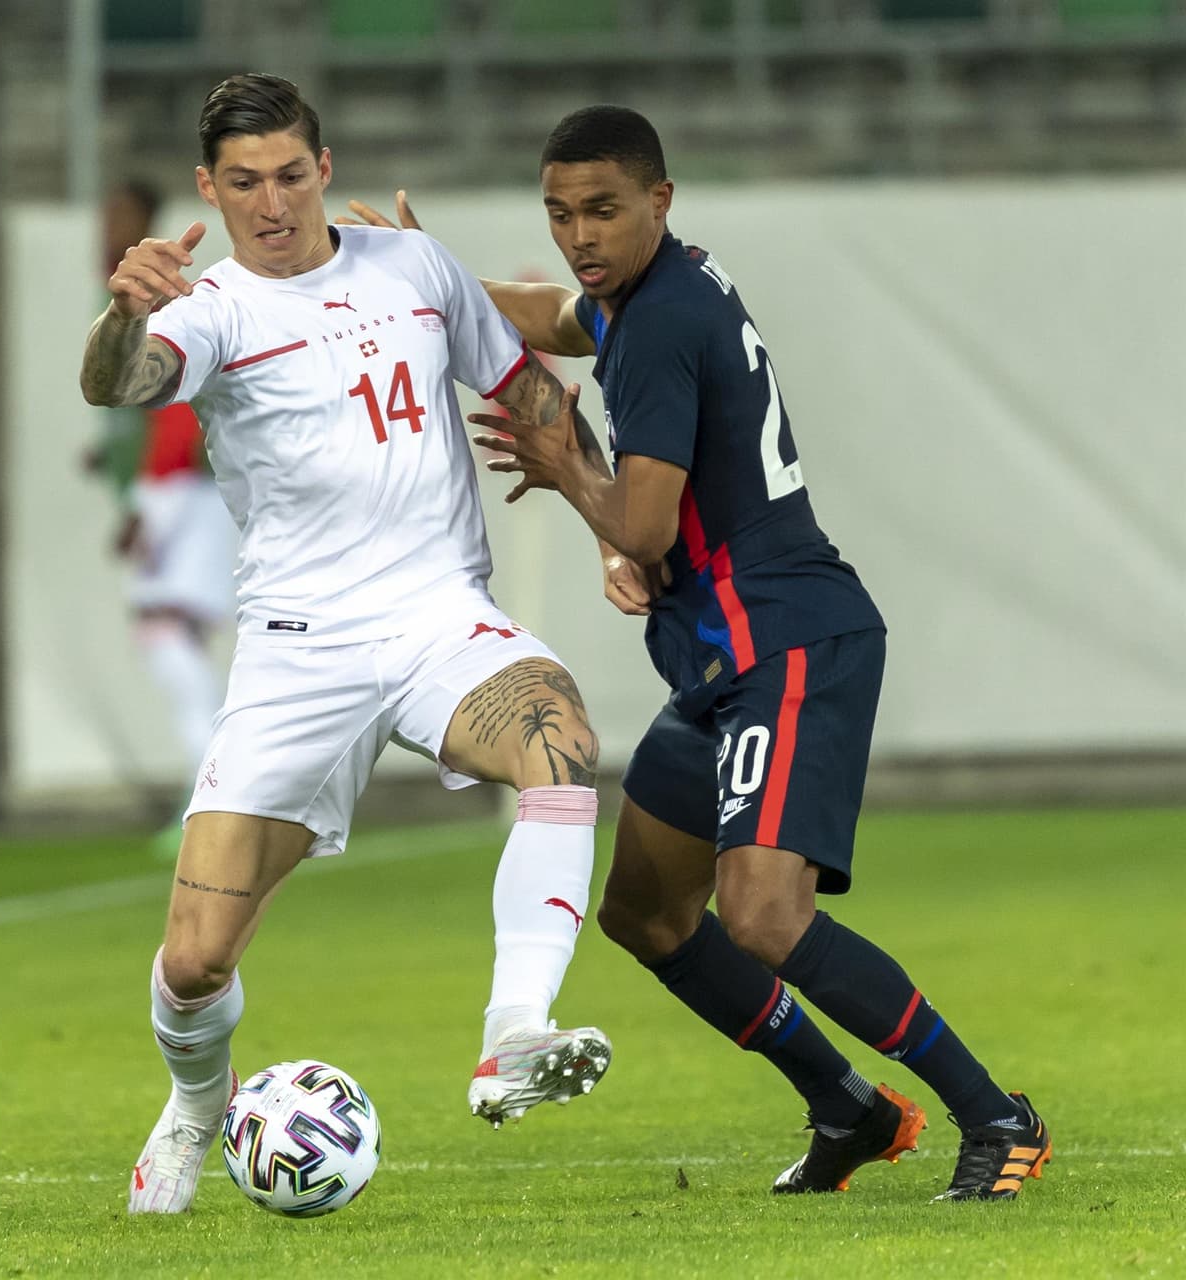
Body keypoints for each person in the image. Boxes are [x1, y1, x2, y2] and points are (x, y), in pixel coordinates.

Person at [344, 106, 1052, 1204]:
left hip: (787, 641)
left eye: (603, 209)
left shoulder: (664, 320)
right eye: (561, 212)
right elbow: (543, 315)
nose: (580, 233)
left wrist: (563, 459)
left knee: (762, 914)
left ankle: (994, 1113)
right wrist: (419, 278)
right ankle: (846, 1106)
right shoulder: (648, 294)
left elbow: (642, 529)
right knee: (642, 911)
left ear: (659, 202)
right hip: (722, 662)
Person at [80, 74, 614, 1216]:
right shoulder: (209, 307)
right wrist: (124, 311)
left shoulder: (412, 269)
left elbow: (527, 392)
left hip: (435, 616)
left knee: (560, 737)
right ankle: (193, 1102)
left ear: (324, 169)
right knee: (194, 962)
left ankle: (513, 1032)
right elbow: (122, 381)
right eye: (241, 183)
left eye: (286, 175)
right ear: (206, 190)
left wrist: (614, 530)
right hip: (297, 653)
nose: (269, 204)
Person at [85, 182, 239, 857]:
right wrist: (110, 459)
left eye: (117, 215)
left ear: (142, 220)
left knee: (162, 631)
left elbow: (174, 400)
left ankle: (213, 792)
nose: (104, 226)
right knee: (179, 635)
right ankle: (213, 787)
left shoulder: (150, 290)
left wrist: (147, 500)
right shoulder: (120, 292)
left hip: (178, 489)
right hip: (171, 486)